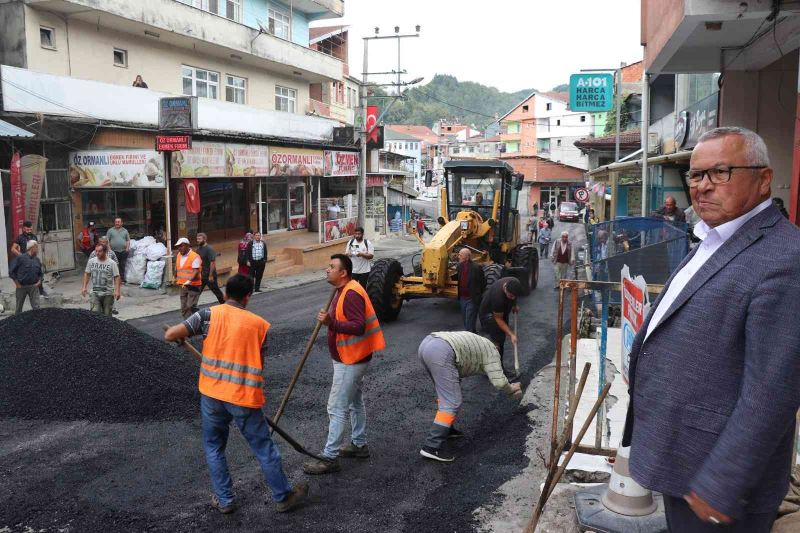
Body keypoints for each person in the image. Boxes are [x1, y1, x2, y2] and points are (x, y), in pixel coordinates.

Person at [621, 127, 800, 532]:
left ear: (763, 179)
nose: (702, 187)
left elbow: (772, 392)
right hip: (681, 457)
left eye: (720, 172)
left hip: (719, 484)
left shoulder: (786, 258)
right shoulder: (710, 239)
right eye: (696, 175)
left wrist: (721, 482)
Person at [164, 274, 309, 514]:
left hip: (212, 393)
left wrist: (183, 337)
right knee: (263, 447)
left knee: (214, 447)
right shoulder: (259, 325)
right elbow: (259, 365)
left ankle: (225, 500)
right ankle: (283, 496)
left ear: (226, 293)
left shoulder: (207, 315)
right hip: (243, 396)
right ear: (248, 297)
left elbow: (171, 335)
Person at [303, 254, 386, 475]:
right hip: (351, 357)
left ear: (343, 273)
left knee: (336, 406)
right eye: (328, 266)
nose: (327, 270)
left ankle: (330, 457)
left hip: (351, 359)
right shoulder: (345, 289)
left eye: (332, 267)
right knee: (354, 402)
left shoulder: (350, 293)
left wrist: (331, 323)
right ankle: (359, 444)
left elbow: (358, 327)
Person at [418, 331, 523, 462]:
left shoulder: (478, 342)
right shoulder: (492, 351)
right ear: (498, 348)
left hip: (427, 344)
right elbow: (499, 382)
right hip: (441, 351)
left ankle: (446, 429)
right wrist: (511, 388)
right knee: (452, 401)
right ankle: (432, 446)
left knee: (445, 395)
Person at [478, 277, 522, 376]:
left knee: (501, 338)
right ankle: (492, 370)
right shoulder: (498, 297)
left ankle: (497, 368)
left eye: (514, 296)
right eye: (510, 296)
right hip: (488, 314)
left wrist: (514, 305)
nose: (512, 298)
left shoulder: (515, 282)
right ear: (505, 289)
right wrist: (511, 334)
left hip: (502, 312)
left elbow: (514, 296)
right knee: (497, 340)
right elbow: (498, 319)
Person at [81, 242, 121, 316]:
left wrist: (117, 291)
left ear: (105, 252)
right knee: (95, 314)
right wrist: (84, 287)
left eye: (99, 251)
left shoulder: (112, 263)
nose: (97, 253)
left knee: (107, 316)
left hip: (108, 293)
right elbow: (87, 273)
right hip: (94, 293)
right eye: (96, 251)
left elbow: (117, 277)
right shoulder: (91, 261)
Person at [456, 248, 485, 333]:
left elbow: (483, 282)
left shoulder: (477, 268)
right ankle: (472, 333)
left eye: (460, 255)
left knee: (469, 320)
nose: (458, 256)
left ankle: (470, 338)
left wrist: (478, 295)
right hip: (462, 298)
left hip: (471, 299)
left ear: (467, 257)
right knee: (465, 320)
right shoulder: (459, 266)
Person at [10, 240, 42, 314]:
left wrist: (40, 281)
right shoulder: (20, 258)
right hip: (21, 287)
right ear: (32, 247)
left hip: (34, 286)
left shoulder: (37, 260)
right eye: (37, 247)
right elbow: (11, 271)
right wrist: (17, 283)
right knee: (18, 309)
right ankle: (17, 323)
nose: (38, 249)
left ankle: (37, 323)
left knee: (36, 309)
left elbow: (40, 273)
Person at [175, 237, 202, 319]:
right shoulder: (179, 255)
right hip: (183, 285)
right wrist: (174, 277)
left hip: (193, 285)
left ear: (187, 246)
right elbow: (177, 267)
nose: (179, 248)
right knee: (184, 307)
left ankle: (196, 322)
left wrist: (189, 280)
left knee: (191, 306)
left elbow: (195, 271)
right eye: (178, 246)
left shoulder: (195, 256)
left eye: (181, 246)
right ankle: (187, 325)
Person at [196, 233, 225, 305]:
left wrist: (210, 275)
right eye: (197, 239)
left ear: (204, 239)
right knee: (197, 292)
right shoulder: (198, 249)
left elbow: (212, 263)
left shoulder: (209, 249)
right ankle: (192, 308)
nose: (198, 240)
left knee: (216, 291)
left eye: (199, 239)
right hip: (201, 275)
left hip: (209, 275)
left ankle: (225, 304)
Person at [106, 217, 130, 282]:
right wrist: (109, 249)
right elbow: (107, 240)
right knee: (114, 265)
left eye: (118, 222)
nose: (117, 223)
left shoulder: (125, 231)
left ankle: (122, 279)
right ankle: (115, 279)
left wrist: (127, 248)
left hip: (123, 251)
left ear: (122, 223)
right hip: (113, 251)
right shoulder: (110, 230)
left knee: (122, 265)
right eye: (116, 222)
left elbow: (128, 240)